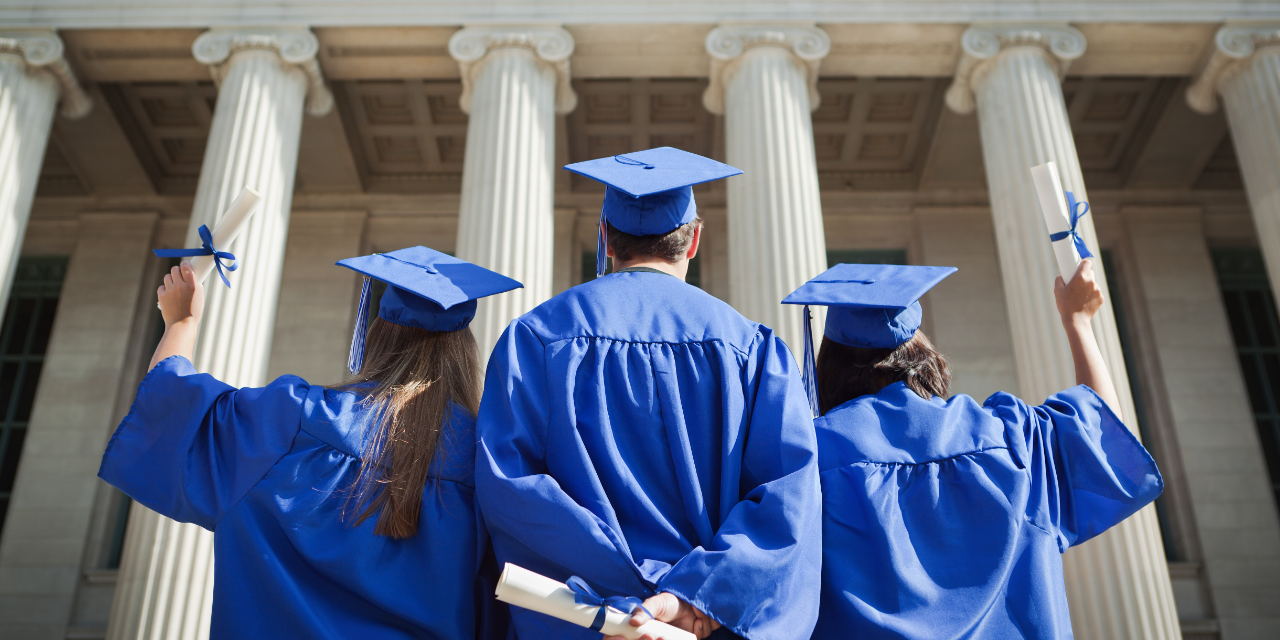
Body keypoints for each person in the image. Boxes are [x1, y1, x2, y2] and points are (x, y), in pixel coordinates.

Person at [475, 147, 823, 640]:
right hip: (700, 629)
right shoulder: (752, 348)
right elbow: (788, 496)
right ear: (694, 239)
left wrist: (626, 600)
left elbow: (509, 484)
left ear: (606, 238)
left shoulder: (536, 338)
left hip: (584, 621)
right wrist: (689, 598)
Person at [98, 247, 521, 640]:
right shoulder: (492, 462)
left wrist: (181, 323)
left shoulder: (289, 421)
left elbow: (173, 405)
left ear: (376, 335)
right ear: (464, 350)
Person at [782, 259, 1163, 639]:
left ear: (828, 366)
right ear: (921, 356)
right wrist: (1077, 321)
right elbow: (1100, 429)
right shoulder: (1011, 439)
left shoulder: (806, 460)